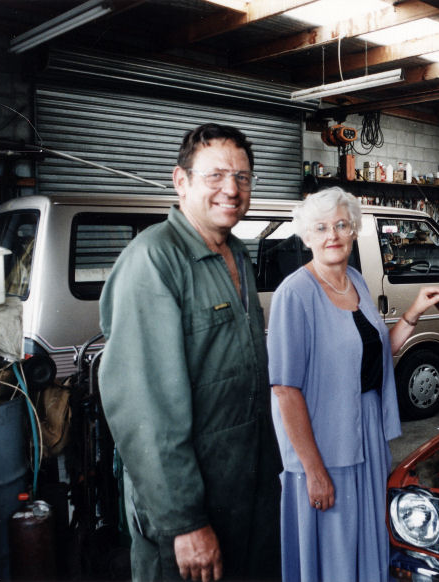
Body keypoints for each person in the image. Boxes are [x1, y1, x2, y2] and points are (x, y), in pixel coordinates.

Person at [98, 123, 282, 581]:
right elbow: (145, 409)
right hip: (189, 510)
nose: (231, 189)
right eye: (216, 175)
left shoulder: (237, 253)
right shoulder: (153, 260)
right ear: (181, 182)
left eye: (243, 177)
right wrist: (185, 522)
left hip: (246, 493)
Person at [267, 187, 439, 582]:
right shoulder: (294, 294)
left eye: (341, 224)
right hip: (323, 442)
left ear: (353, 231)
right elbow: (284, 390)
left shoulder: (355, 280)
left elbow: (377, 354)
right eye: (321, 227)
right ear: (306, 237)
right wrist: (313, 470)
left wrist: (416, 310)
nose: (331, 234)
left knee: (367, 538)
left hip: (365, 430)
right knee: (334, 549)